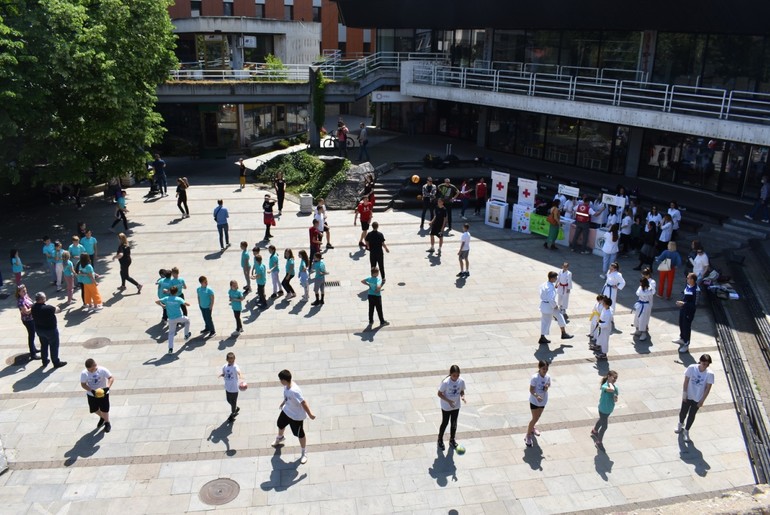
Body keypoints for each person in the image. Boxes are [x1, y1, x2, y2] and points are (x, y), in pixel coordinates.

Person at [272, 369, 316, 464]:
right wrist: (283, 403)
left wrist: (310, 414)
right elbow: (287, 397)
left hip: (296, 416)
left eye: (280, 380)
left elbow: (303, 402)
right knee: (280, 423)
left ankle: (304, 452)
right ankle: (280, 437)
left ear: (284, 380)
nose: (280, 381)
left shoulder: (295, 391)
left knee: (299, 434)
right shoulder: (286, 386)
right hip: (287, 411)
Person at [675, 354, 714, 442]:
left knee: (692, 415)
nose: (705, 366)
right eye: (703, 363)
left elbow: (708, 388)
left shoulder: (710, 374)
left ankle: (687, 430)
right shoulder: (692, 368)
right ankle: (680, 424)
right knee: (683, 412)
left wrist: (702, 400)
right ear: (700, 361)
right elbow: (686, 381)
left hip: (697, 397)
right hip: (689, 395)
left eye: (707, 364)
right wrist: (684, 393)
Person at [31, 292, 66, 369]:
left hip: (39, 330)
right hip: (50, 330)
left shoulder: (33, 307)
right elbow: (58, 310)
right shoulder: (48, 308)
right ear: (43, 299)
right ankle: (56, 362)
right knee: (54, 346)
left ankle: (44, 361)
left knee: (43, 345)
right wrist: (57, 306)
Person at [436, 364, 466, 451]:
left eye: (457, 375)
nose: (456, 377)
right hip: (446, 407)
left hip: (456, 406)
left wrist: (463, 396)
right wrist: (448, 401)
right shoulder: (446, 382)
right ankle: (440, 439)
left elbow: (462, 391)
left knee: (454, 424)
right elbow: (439, 394)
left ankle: (452, 440)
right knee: (445, 423)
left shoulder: (461, 381)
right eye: (454, 375)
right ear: (450, 374)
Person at [538, 271, 573, 345]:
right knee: (547, 321)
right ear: (552, 278)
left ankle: (563, 333)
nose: (556, 279)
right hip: (550, 306)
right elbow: (551, 299)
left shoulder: (544, 284)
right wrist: (555, 306)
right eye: (555, 278)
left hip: (544, 305)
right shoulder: (550, 288)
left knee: (558, 317)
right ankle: (543, 337)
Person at [80, 358, 114, 433]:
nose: (91, 371)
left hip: (103, 393)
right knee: (94, 409)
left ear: (95, 365)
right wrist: (91, 390)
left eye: (92, 369)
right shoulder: (84, 373)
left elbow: (111, 378)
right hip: (91, 394)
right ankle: (103, 417)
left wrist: (107, 387)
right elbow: (83, 384)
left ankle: (107, 422)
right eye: (89, 370)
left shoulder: (102, 370)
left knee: (105, 409)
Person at [155, 286, 191, 353]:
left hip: (171, 319)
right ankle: (186, 334)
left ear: (170, 291)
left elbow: (156, 301)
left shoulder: (166, 298)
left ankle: (170, 349)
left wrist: (163, 306)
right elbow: (187, 304)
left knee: (171, 334)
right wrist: (186, 303)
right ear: (176, 292)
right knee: (187, 321)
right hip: (179, 317)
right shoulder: (178, 299)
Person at [591, 370, 619, 451]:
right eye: (613, 378)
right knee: (604, 426)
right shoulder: (605, 386)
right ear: (609, 376)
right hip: (603, 409)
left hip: (609, 409)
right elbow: (611, 390)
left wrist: (615, 398)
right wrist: (610, 382)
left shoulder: (615, 388)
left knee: (602, 420)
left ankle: (595, 431)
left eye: (616, 379)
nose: (615, 380)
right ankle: (599, 442)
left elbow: (615, 399)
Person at [526, 360, 551, 447]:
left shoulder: (548, 376)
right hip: (534, 401)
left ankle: (532, 428)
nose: (545, 370)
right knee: (534, 418)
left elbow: (548, 384)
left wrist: (546, 387)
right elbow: (531, 390)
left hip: (543, 400)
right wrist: (537, 396)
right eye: (543, 368)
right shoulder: (535, 378)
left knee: (538, 417)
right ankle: (528, 435)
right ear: (539, 368)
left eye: (546, 368)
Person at [674, 273, 698, 353]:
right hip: (683, 309)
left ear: (692, 280)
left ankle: (686, 344)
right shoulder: (688, 286)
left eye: (688, 278)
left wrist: (684, 303)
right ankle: (682, 338)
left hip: (689, 312)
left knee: (686, 327)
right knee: (681, 323)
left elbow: (695, 304)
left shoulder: (696, 290)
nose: (687, 279)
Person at [16, 285, 40, 360]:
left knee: (33, 334)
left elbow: (31, 302)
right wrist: (34, 306)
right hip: (27, 320)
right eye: (23, 291)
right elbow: (26, 312)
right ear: (19, 292)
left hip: (32, 318)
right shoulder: (20, 301)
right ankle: (33, 354)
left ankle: (34, 349)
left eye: (25, 290)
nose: (25, 292)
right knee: (31, 335)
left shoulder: (26, 296)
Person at [219, 352, 243, 423]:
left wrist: (240, 374)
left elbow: (238, 371)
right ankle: (235, 408)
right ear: (227, 360)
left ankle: (233, 414)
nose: (231, 362)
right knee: (228, 400)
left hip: (234, 389)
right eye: (230, 361)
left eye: (233, 361)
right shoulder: (224, 367)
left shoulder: (235, 366)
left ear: (234, 359)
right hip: (228, 388)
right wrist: (222, 375)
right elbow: (225, 373)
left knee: (233, 401)